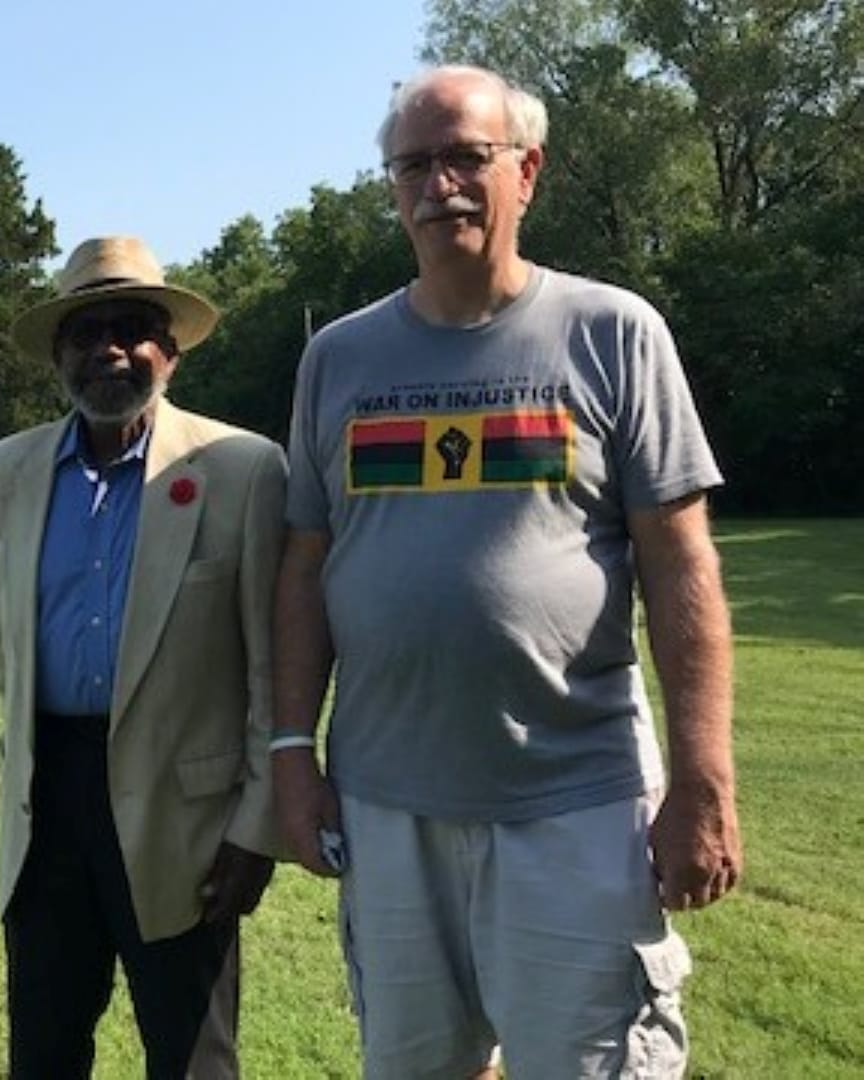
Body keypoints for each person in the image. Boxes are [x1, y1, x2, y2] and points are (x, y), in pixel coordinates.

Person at [272, 65, 741, 1078]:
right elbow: (306, 565)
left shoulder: (614, 333)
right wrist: (288, 749)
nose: (438, 183)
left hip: (575, 803)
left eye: (464, 157)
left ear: (525, 172)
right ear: (393, 190)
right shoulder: (340, 360)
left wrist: (703, 776)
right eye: (413, 165)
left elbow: (681, 561)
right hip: (389, 806)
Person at [0, 236, 288, 1078]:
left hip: (185, 819)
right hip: (48, 811)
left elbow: (271, 668)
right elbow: (9, 648)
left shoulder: (244, 469)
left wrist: (256, 826)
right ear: (57, 356)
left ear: (170, 351)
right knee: (43, 1052)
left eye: (132, 327)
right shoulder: (0, 474)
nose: (108, 348)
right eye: (84, 332)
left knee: (191, 1059)